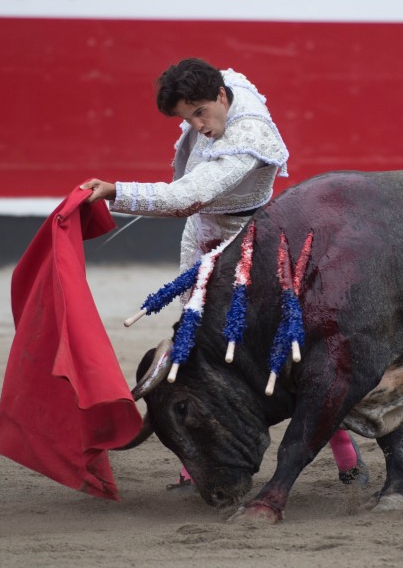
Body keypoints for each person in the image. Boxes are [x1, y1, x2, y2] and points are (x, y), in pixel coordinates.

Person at [80, 58, 368, 488]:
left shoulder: (249, 135)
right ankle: (190, 464)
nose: (198, 125)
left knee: (289, 350)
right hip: (200, 240)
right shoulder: (225, 86)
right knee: (198, 348)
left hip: (253, 247)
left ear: (220, 97)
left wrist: (115, 192)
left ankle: (347, 457)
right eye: (186, 118)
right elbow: (192, 203)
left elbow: (188, 196)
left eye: (200, 112)